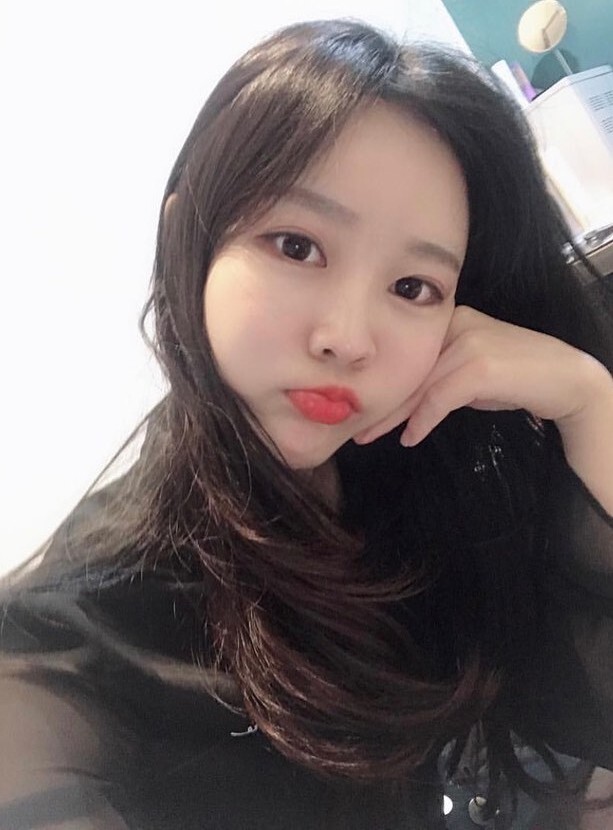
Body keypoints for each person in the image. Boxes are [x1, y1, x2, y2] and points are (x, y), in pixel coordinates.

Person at [1, 17, 612, 830]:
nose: (348, 338)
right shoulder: (73, 642)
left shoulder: (417, 469)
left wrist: (591, 405)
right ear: (188, 238)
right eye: (296, 246)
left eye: (412, 288)